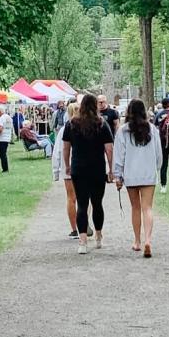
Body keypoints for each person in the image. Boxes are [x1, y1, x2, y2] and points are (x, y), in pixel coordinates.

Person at [62, 94, 114, 255]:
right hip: (97, 168)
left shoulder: (71, 124)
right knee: (97, 203)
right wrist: (111, 169)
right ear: (95, 106)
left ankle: (83, 241)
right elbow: (109, 148)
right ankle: (98, 235)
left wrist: (67, 165)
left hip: (79, 168)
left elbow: (66, 147)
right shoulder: (102, 124)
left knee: (82, 204)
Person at [114, 99, 162, 258]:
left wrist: (118, 175)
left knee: (135, 208)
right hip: (148, 173)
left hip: (131, 174)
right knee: (147, 207)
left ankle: (137, 241)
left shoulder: (123, 131)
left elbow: (119, 155)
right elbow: (158, 153)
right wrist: (157, 167)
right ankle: (148, 239)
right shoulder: (153, 130)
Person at [52, 103, 92, 239]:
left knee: (71, 198)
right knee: (84, 198)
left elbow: (58, 151)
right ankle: (84, 224)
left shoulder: (65, 129)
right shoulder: (86, 127)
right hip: (81, 166)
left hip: (68, 167)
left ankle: (75, 228)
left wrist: (56, 171)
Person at [0, 107, 13, 173]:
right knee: (4, 153)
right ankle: (6, 167)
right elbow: (8, 128)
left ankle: (5, 168)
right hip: (7, 137)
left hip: (2, 138)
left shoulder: (1, 118)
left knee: (2, 154)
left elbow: (0, 129)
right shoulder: (8, 117)